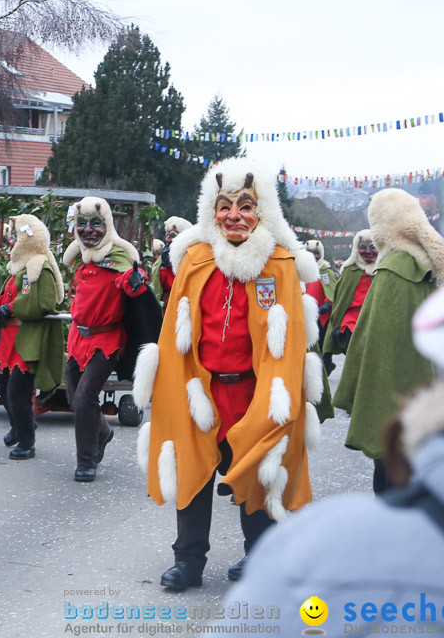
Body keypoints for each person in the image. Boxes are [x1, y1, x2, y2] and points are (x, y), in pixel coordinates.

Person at [223, 156, 444, 632]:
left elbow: (377, 343)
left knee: (388, 474)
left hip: (398, 410)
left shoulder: (323, 560)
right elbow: (354, 318)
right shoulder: (417, 268)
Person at [132, 157, 322, 591]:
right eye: (224, 206)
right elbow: (172, 333)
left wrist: (278, 397)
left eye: (245, 206)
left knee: (259, 472)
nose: (234, 215)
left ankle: (260, 557)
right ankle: (189, 560)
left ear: (262, 211)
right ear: (211, 211)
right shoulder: (196, 260)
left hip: (256, 392)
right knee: (193, 474)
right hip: (201, 389)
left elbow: (289, 340)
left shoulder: (278, 263)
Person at [333, 189, 444, 494]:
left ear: (383, 226)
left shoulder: (393, 269)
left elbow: (376, 345)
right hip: (424, 389)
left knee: (389, 471)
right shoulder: (425, 266)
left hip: (392, 394)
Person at [62, 196, 160, 482]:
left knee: (84, 397)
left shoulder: (116, 259)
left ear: (107, 226)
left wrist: (136, 283)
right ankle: (103, 431)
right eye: (83, 224)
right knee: (73, 397)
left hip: (106, 341)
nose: (89, 230)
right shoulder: (80, 258)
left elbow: (127, 281)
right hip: (77, 339)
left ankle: (86, 460)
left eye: (96, 224)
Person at [0, 214, 65, 460]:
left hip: (27, 338)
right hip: (9, 339)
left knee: (18, 393)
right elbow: (9, 296)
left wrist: (10, 309)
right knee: (3, 387)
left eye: (15, 235)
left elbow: (42, 302)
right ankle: (20, 425)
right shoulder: (19, 268)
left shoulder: (40, 266)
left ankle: (27, 442)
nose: (11, 240)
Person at [321, 229, 377, 367]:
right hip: (352, 320)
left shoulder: (383, 271)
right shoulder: (349, 272)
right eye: (363, 247)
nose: (368, 251)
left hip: (374, 319)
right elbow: (340, 300)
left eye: (373, 247)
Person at [152, 216, 192, 307]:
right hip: (166, 304)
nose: (168, 239)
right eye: (167, 235)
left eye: (173, 235)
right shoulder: (163, 258)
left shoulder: (192, 258)